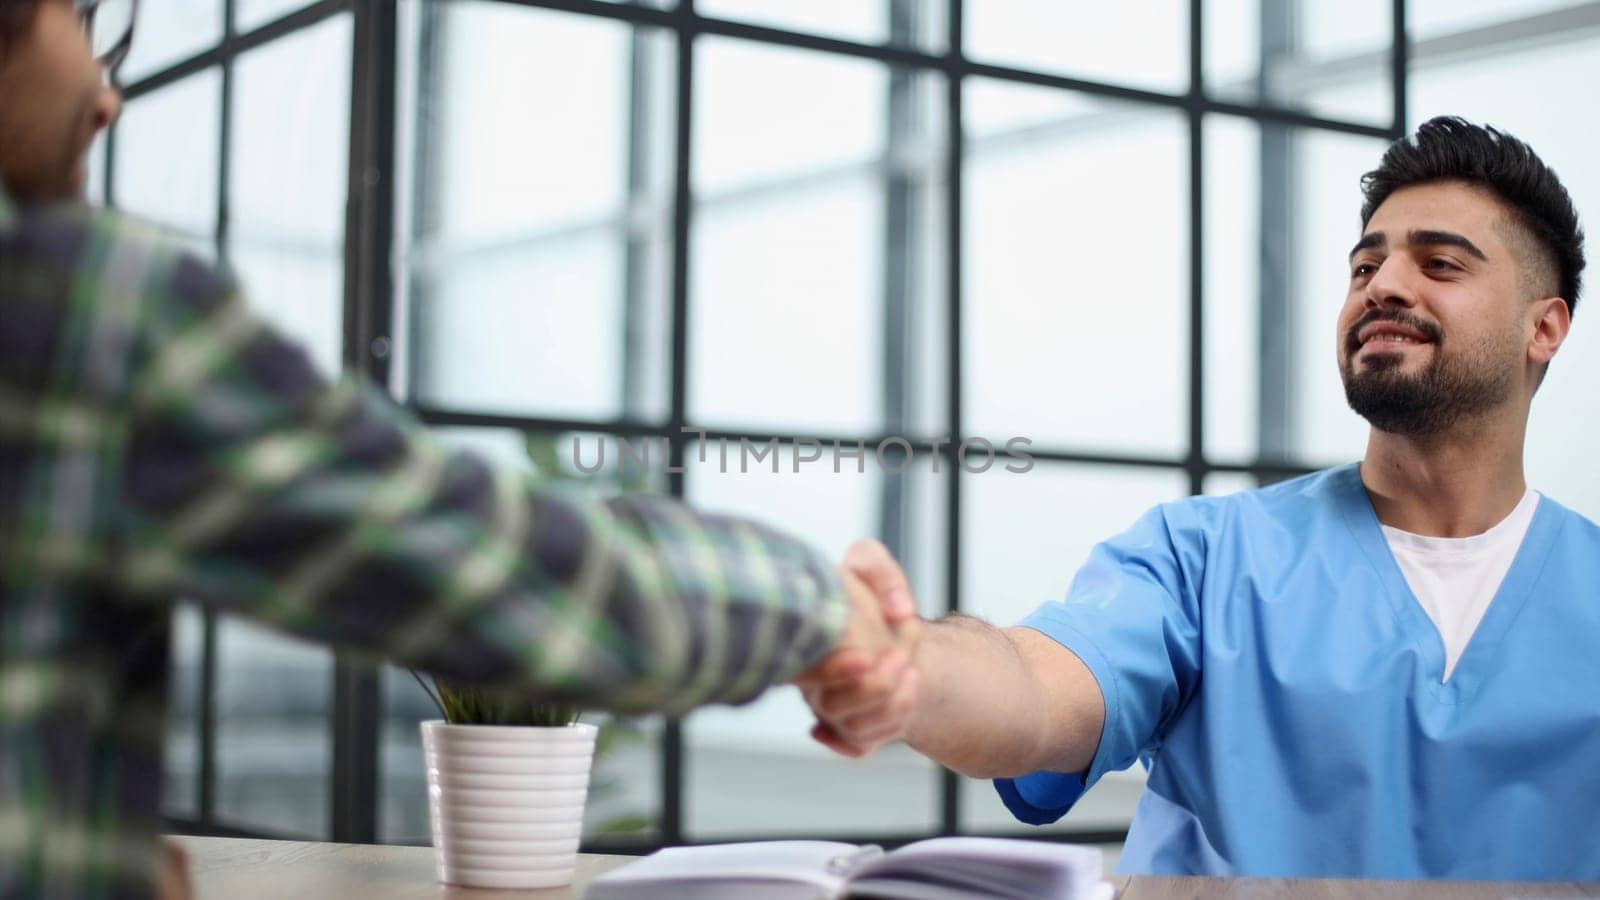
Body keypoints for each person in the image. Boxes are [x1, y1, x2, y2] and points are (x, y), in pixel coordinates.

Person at [0, 2, 913, 897]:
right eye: (82, 22)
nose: (107, 92)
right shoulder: (73, 305)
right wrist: (820, 605)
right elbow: (507, 574)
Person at [800, 116, 1600, 880]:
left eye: (1440, 264)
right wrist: (907, 660)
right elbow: (1039, 690)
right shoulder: (1207, 558)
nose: (1382, 286)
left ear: (1545, 327)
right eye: (1364, 266)